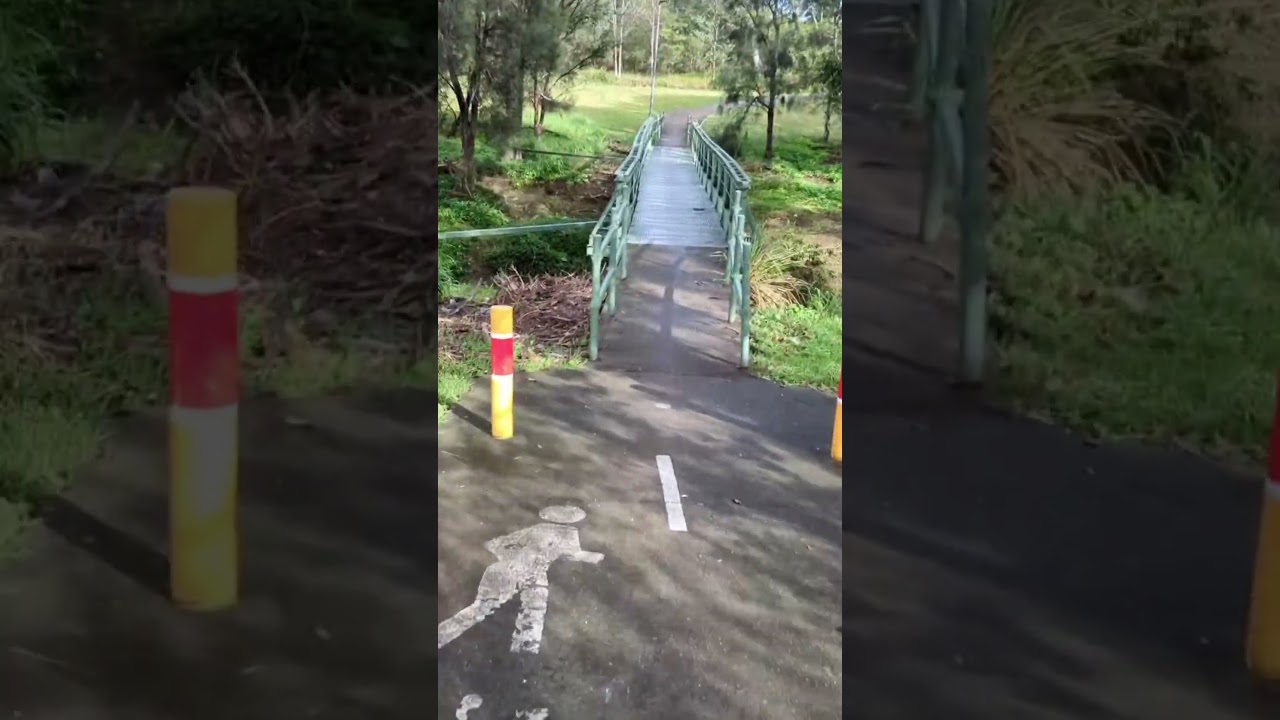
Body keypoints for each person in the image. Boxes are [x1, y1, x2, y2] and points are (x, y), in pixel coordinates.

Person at [438, 506, 604, 653]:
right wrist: (597, 557)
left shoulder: (535, 528)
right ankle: (524, 651)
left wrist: (510, 557)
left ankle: (524, 651)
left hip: (510, 569)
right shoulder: (568, 533)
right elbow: (572, 554)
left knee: (512, 609)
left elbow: (495, 543)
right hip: (525, 571)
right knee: (529, 610)